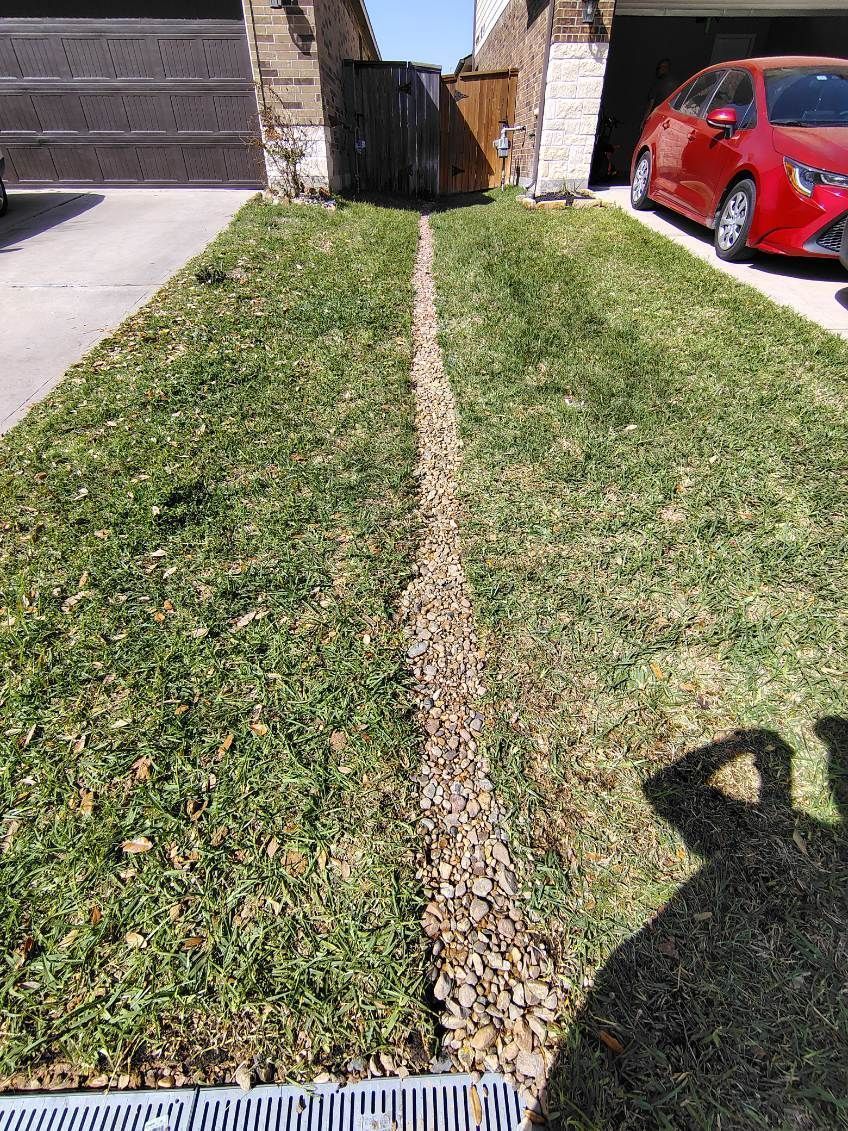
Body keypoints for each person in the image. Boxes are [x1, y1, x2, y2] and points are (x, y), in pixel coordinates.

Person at [643, 57, 678, 123]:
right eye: (660, 67)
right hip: (660, 118)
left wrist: (644, 120)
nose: (662, 69)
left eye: (665, 67)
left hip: (661, 118)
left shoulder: (665, 83)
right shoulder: (658, 83)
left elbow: (651, 104)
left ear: (668, 69)